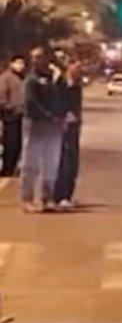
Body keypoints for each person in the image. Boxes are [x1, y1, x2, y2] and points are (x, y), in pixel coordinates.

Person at [19, 47, 64, 213]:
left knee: (51, 163)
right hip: (35, 124)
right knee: (30, 164)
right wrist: (48, 115)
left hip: (52, 127)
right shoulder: (31, 80)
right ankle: (27, 199)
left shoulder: (53, 78)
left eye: (39, 57)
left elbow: (60, 98)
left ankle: (47, 198)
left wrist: (59, 116)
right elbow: (31, 102)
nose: (36, 60)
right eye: (34, 57)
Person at [53, 60, 84, 209]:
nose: (79, 70)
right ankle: (60, 196)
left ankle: (68, 195)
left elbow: (77, 105)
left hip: (73, 127)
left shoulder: (77, 86)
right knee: (63, 162)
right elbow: (56, 103)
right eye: (76, 67)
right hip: (62, 126)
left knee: (73, 162)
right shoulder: (60, 84)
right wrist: (63, 117)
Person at [1, 53, 25, 177]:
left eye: (22, 63)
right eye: (18, 63)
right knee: (10, 143)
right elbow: (2, 97)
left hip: (21, 115)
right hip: (10, 116)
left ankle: (13, 167)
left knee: (18, 143)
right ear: (11, 63)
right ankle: (7, 169)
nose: (21, 66)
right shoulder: (6, 78)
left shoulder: (22, 78)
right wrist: (9, 107)